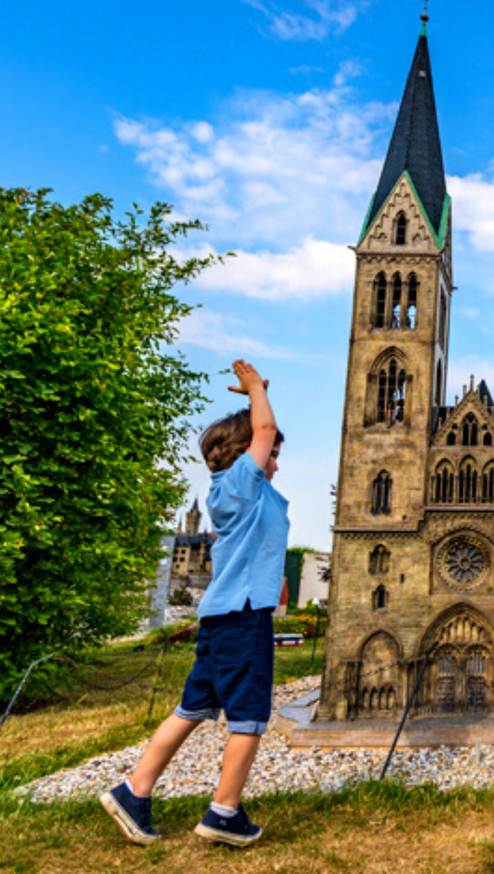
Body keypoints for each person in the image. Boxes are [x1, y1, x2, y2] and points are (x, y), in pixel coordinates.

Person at [100, 360, 289, 848]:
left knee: (191, 708)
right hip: (243, 621)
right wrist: (255, 397)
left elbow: (261, 545)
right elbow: (264, 430)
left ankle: (133, 790)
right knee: (249, 717)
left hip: (221, 620)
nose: (275, 462)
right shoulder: (242, 487)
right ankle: (223, 811)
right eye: (270, 455)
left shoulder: (242, 493)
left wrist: (252, 403)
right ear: (247, 455)